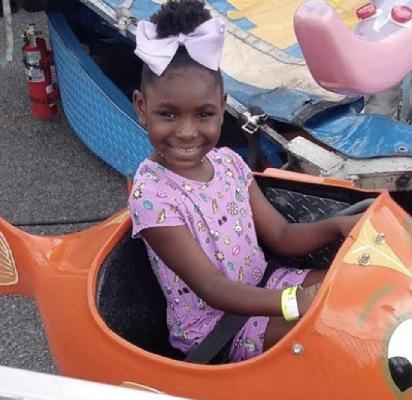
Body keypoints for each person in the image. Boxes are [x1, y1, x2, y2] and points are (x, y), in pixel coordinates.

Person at [128, 0, 360, 362]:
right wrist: (294, 302)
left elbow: (282, 234)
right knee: (337, 328)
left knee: (360, 290)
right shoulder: (152, 197)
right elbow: (213, 287)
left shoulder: (230, 165)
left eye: (204, 114)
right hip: (215, 328)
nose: (187, 132)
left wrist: (337, 226)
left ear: (222, 108)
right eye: (168, 114)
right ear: (142, 107)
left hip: (267, 287)